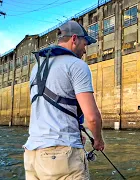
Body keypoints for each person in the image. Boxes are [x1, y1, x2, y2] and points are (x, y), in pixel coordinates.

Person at [23, 20, 104, 180]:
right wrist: (98, 140)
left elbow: (47, 110)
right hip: (61, 157)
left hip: (32, 155)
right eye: (85, 43)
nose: (85, 50)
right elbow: (92, 118)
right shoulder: (77, 65)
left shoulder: (36, 68)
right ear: (74, 39)